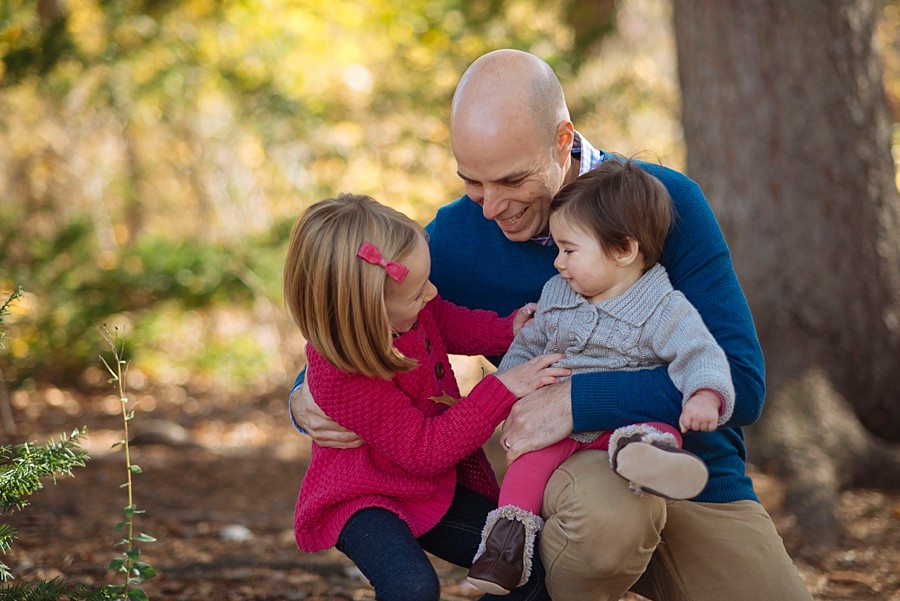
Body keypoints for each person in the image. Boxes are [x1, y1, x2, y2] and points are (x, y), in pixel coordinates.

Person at [292, 50, 813, 601]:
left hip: (696, 473)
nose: (491, 207)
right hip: (567, 472)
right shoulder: (454, 239)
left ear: (563, 139)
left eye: (511, 179)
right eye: (472, 182)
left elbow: (742, 383)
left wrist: (576, 399)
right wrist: (305, 393)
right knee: (609, 521)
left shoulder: (660, 201)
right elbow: (365, 308)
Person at [466, 158, 734, 595]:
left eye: (568, 250)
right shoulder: (558, 294)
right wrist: (507, 389)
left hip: (625, 423)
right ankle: (505, 547)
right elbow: (529, 347)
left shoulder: (663, 307)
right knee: (527, 465)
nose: (557, 263)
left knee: (652, 429)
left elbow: (700, 353)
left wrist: (704, 395)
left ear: (624, 250)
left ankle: (647, 462)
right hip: (559, 434)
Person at [284, 193, 567, 601]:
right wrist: (501, 389)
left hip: (424, 487)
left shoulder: (408, 311)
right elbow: (424, 449)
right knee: (411, 587)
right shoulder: (342, 375)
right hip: (362, 496)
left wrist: (508, 331)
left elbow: (447, 320)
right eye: (418, 293)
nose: (431, 294)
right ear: (368, 312)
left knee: (521, 565)